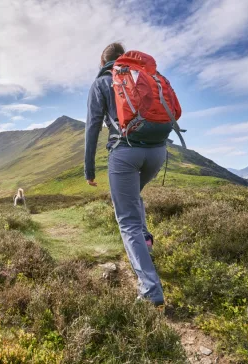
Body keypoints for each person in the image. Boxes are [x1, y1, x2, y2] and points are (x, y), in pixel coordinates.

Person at [84, 42, 169, 307]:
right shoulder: (141, 77)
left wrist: (89, 169)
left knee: (127, 220)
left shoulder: (101, 84)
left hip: (125, 153)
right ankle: (145, 238)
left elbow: (92, 128)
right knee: (133, 200)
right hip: (157, 152)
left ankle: (150, 290)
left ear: (102, 62)